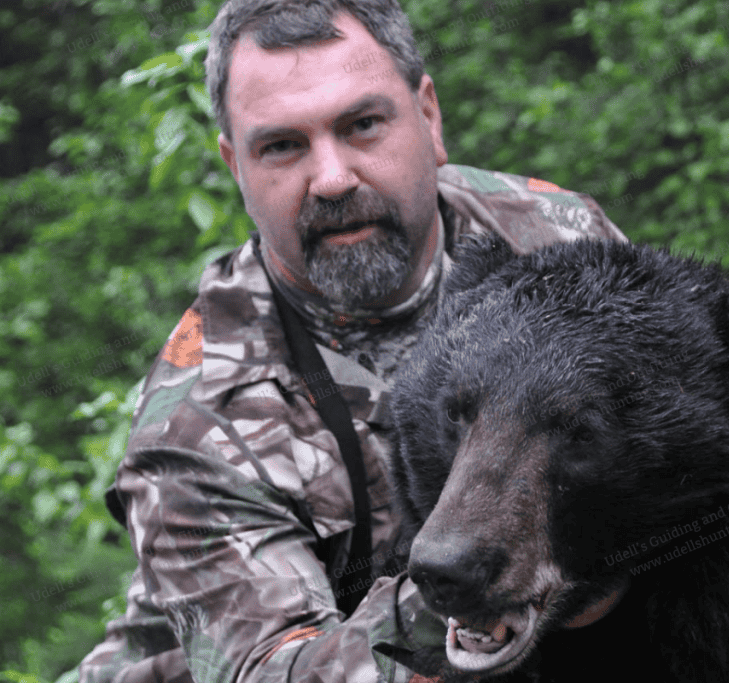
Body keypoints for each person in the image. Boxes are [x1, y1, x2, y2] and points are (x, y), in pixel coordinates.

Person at [78, 1, 626, 681]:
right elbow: (272, 672)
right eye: (282, 146)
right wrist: (495, 553)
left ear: (428, 117)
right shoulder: (199, 423)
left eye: (362, 124)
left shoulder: (552, 234)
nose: (332, 178)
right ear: (235, 167)